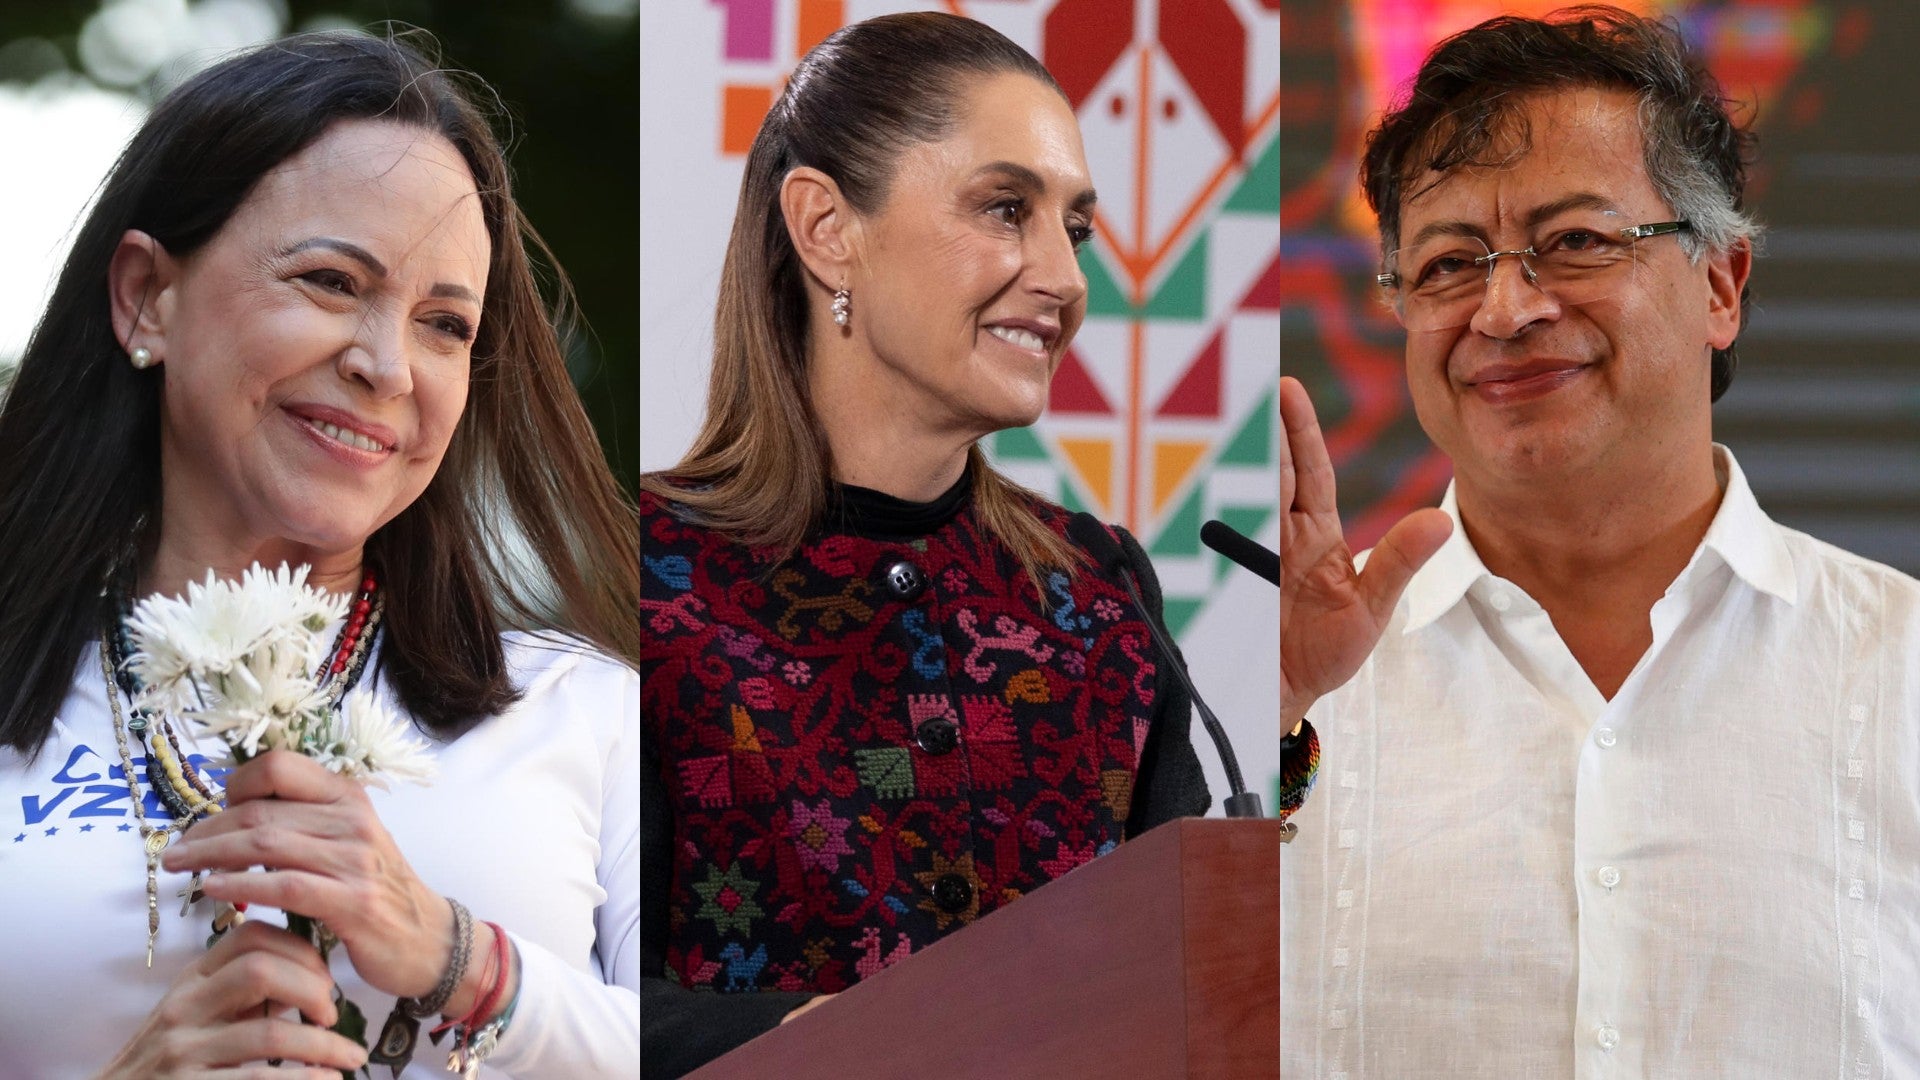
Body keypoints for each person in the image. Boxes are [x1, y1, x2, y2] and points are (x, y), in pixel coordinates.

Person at [1280, 6, 1920, 1075]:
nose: (1503, 308)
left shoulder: (1904, 675)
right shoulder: (1288, 692)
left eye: (1573, 242)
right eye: (1445, 264)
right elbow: (1093, 1001)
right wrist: (1257, 726)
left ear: (1721, 284)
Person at [0, 31, 641, 1079]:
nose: (388, 366)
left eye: (444, 324)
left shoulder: (590, 713)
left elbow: (762, 1054)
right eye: (333, 282)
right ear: (146, 298)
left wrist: (463, 962)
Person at [638, 12, 1211, 1076]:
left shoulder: (1099, 590)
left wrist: (1301, 725)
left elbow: (1210, 965)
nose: (1065, 278)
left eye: (1074, 228)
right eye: (1006, 210)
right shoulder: (632, 576)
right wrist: (818, 1041)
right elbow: (554, 995)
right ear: (823, 228)